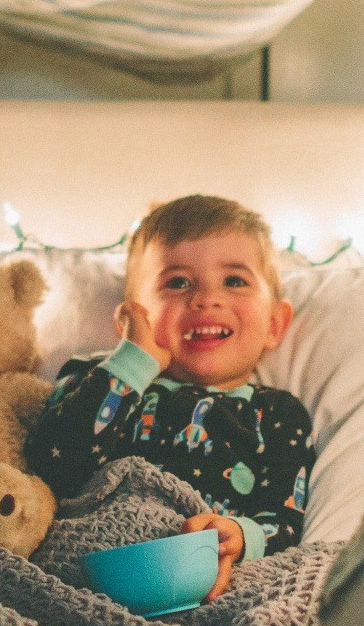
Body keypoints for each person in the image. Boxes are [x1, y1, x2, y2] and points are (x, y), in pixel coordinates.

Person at [25, 195, 315, 601]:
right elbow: (48, 463)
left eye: (235, 280)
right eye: (176, 282)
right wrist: (133, 361)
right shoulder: (97, 378)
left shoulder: (277, 414)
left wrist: (239, 536)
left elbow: (286, 518)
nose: (206, 299)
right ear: (130, 319)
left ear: (274, 323)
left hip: (203, 586)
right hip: (80, 577)